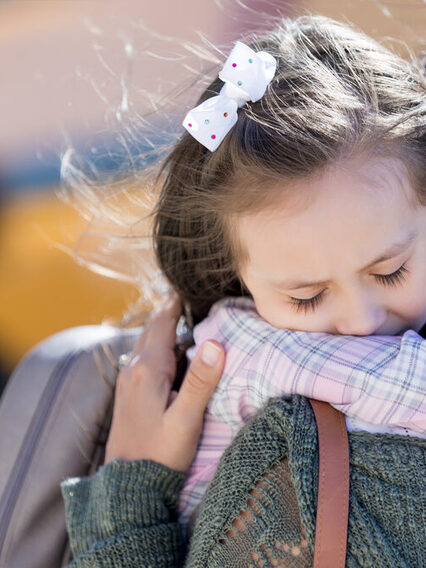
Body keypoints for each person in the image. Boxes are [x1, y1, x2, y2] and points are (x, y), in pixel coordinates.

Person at [60, 14, 426, 567]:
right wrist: (130, 506)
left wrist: (124, 518)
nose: (359, 321)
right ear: (236, 278)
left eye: (390, 272)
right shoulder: (264, 393)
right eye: (306, 296)